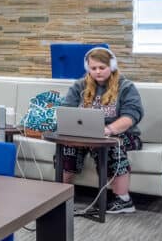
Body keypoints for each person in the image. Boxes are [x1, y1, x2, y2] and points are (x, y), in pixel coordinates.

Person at [60, 46, 144, 214]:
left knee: (111, 145)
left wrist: (109, 129)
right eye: (93, 68)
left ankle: (124, 200)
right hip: (87, 133)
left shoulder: (126, 86)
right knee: (68, 146)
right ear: (87, 69)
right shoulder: (80, 86)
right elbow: (67, 109)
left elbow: (131, 116)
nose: (97, 72)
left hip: (123, 134)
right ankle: (61, 195)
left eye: (102, 67)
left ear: (111, 66)